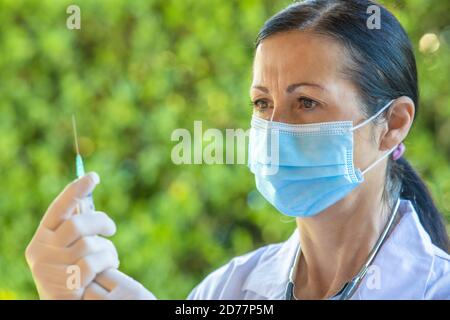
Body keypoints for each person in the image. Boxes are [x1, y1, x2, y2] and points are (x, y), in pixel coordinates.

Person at [25, 0, 450, 300]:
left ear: (393, 124)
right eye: (263, 103)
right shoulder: (226, 288)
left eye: (306, 103)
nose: (274, 128)